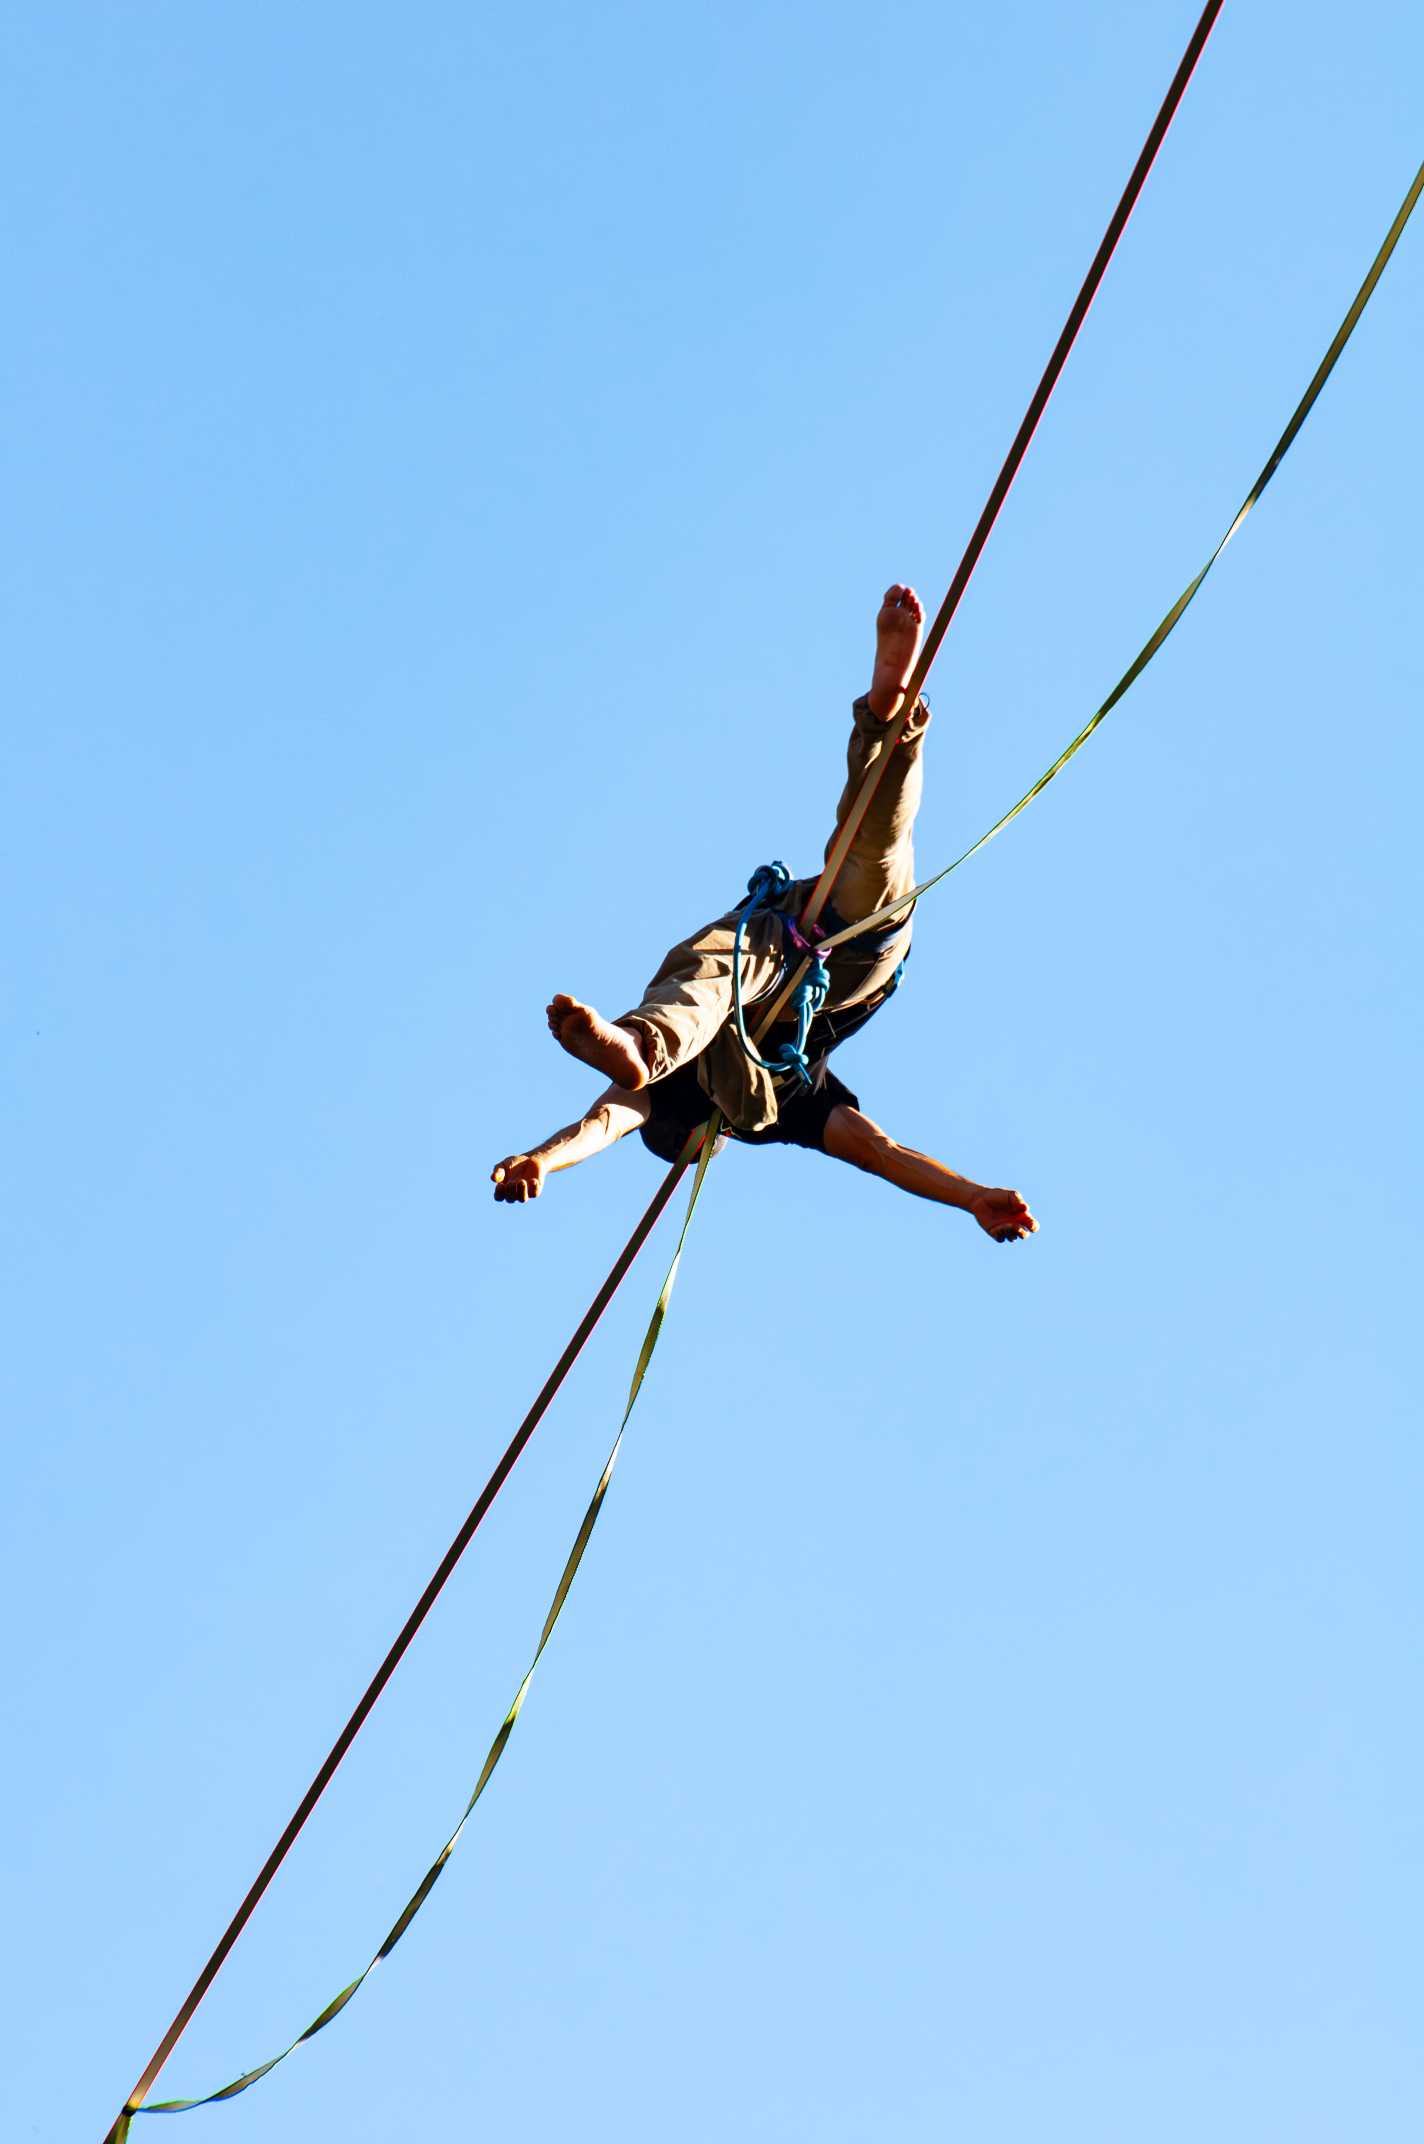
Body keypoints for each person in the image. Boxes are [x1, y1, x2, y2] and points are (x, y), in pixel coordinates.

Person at [491, 585, 1037, 1246]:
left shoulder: (742, 1107)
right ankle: (889, 722)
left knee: (864, 855)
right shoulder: (786, 1108)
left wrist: (546, 1158)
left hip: (799, 936)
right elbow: (880, 1153)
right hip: (844, 960)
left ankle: (888, 714)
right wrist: (969, 1195)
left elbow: (608, 1121)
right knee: (867, 849)